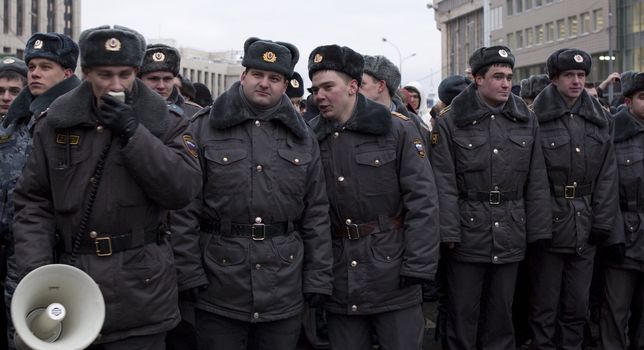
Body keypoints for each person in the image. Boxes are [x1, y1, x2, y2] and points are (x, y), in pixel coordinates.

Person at [12, 25, 202, 349]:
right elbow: (33, 203)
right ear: (86, 74)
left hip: (141, 293)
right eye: (104, 75)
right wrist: (38, 277)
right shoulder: (54, 123)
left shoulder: (166, 123)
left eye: (124, 74)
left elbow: (181, 189)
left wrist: (134, 133)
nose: (116, 85)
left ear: (136, 72)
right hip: (71, 285)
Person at [172, 37, 332, 350]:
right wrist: (187, 272)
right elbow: (184, 208)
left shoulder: (302, 137)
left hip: (283, 284)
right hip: (219, 285)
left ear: (285, 85)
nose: (264, 84)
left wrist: (319, 277)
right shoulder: (203, 128)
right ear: (243, 76)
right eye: (257, 74)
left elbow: (316, 212)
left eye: (274, 78)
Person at [307, 44, 439, 350]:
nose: (320, 96)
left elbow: (423, 202)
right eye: (315, 89)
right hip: (340, 278)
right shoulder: (311, 138)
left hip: (393, 273)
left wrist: (419, 266)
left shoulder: (396, 130)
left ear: (353, 87)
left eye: (329, 87)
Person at [431, 45, 551, 350]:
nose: (506, 83)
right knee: (462, 318)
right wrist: (448, 232)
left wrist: (537, 232)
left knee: (501, 318)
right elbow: (442, 182)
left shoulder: (526, 119)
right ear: (478, 79)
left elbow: (536, 180)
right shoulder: (450, 122)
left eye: (509, 76)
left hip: (511, 231)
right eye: (498, 76)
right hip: (467, 234)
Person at [529, 48, 619, 350]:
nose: (577, 81)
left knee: (578, 307)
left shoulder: (600, 120)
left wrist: (603, 222)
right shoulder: (534, 119)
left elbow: (608, 175)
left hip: (585, 224)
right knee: (544, 306)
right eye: (569, 75)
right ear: (554, 79)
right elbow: (535, 177)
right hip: (551, 225)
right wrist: (540, 228)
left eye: (581, 75)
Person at [0, 33, 81, 350]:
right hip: (18, 254)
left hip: (64, 256)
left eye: (45, 66)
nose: (34, 72)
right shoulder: (17, 121)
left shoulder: (80, 120)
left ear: (67, 73)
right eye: (31, 65)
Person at [598, 70, 644, 349]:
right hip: (624, 237)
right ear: (628, 102)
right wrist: (612, 235)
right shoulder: (614, 135)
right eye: (643, 97)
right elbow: (606, 191)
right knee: (615, 312)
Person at [0, 55, 27, 350]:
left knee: (18, 315)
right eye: (1, 90)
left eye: (13, 91)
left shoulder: (38, 127)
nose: (6, 97)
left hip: (22, 244)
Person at [361, 55, 430, 147]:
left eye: (362, 84)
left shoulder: (413, 123)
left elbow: (424, 157)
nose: (355, 89)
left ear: (381, 86)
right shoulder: (349, 119)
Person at [139, 44, 201, 118]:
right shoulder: (125, 113)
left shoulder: (195, 115)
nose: (161, 86)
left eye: (167, 79)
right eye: (154, 79)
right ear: (139, 80)